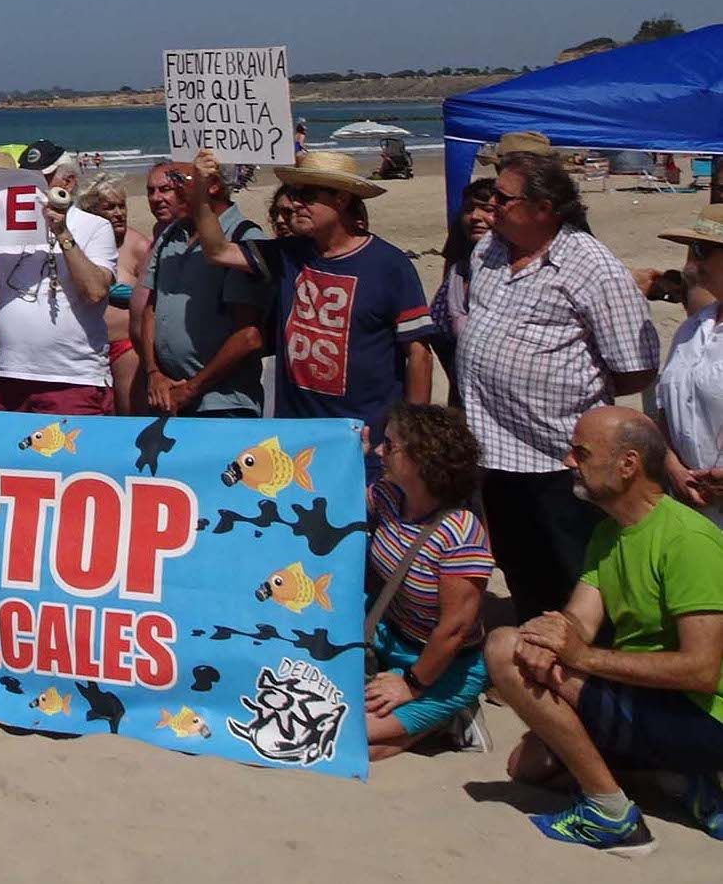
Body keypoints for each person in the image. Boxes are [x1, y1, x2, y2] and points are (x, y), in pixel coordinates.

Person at [486, 407, 723, 854]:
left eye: (581, 452)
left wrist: (579, 656)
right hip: (650, 700)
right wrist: (546, 635)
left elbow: (701, 671)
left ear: (628, 464)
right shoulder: (610, 533)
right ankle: (676, 775)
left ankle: (612, 815)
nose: (567, 461)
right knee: (528, 766)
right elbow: (579, 618)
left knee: (502, 647)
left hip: (703, 716)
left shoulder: (688, 541)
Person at [462, 151, 660, 620]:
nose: (491, 204)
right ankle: (539, 662)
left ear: (544, 207)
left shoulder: (590, 265)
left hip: (560, 457)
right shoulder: (488, 249)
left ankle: (589, 676)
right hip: (494, 452)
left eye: (504, 198)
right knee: (520, 565)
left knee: (575, 572)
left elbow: (637, 367)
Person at [186, 149, 434, 453]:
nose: (295, 203)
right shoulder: (289, 254)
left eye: (307, 195)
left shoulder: (389, 265)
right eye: (295, 193)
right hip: (295, 436)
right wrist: (200, 188)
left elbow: (419, 354)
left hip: (363, 439)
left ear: (341, 199)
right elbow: (217, 251)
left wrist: (409, 438)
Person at [363, 404, 495, 760]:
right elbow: (338, 501)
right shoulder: (390, 497)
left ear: (422, 459)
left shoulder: (461, 532)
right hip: (391, 641)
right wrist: (347, 455)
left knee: (349, 737)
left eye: (389, 446)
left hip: (442, 667)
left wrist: (411, 685)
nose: (379, 451)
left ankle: (447, 715)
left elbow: (454, 628)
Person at [0, 170, 117, 415]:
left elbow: (95, 291)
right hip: (11, 375)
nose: (32, 187)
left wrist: (62, 233)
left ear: (67, 182)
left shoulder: (94, 225)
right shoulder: (4, 224)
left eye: (43, 179)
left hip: (73, 378)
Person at [137, 160, 270, 419]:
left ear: (213, 185)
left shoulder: (244, 238)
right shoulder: (170, 235)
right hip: (168, 396)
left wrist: (191, 388)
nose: (170, 191)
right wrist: (154, 373)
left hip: (224, 403)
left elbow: (248, 336)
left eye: (179, 180)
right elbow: (151, 310)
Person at [654, 204, 723, 523]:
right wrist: (674, 468)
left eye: (702, 250)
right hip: (691, 507)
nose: (692, 263)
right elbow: (665, 410)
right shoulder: (691, 328)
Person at [80, 177, 146, 414]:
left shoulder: (138, 247)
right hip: (85, 347)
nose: (118, 213)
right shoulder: (81, 245)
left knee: (129, 416)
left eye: (122, 206)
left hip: (125, 345)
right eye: (109, 207)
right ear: (92, 212)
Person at [429, 179, 499, 398]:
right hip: (459, 391)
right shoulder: (458, 271)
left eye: (488, 210)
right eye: (468, 209)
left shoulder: (512, 273)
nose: (475, 217)